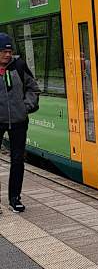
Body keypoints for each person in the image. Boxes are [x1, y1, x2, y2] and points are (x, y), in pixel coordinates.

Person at [0, 33, 40, 213]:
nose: (7, 54)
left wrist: (26, 107)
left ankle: (14, 198)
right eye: (3, 51)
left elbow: (33, 88)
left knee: (17, 161)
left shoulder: (19, 66)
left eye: (9, 51)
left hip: (18, 121)